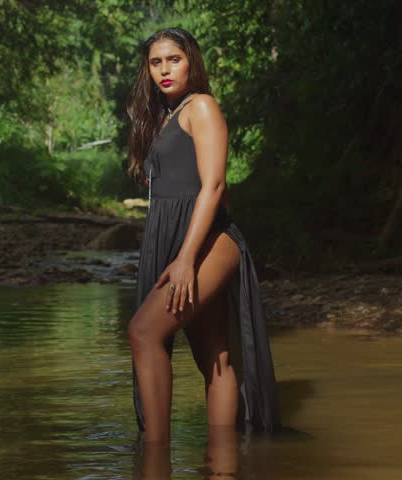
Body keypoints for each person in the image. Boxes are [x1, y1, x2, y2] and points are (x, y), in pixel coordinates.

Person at [126, 27, 280, 444]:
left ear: (191, 61)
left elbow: (214, 187)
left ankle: (156, 460)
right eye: (155, 62)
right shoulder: (164, 115)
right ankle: (222, 463)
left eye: (173, 59)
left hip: (209, 241)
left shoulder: (202, 107)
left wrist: (186, 258)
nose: (163, 70)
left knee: (143, 332)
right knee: (213, 355)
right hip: (174, 237)